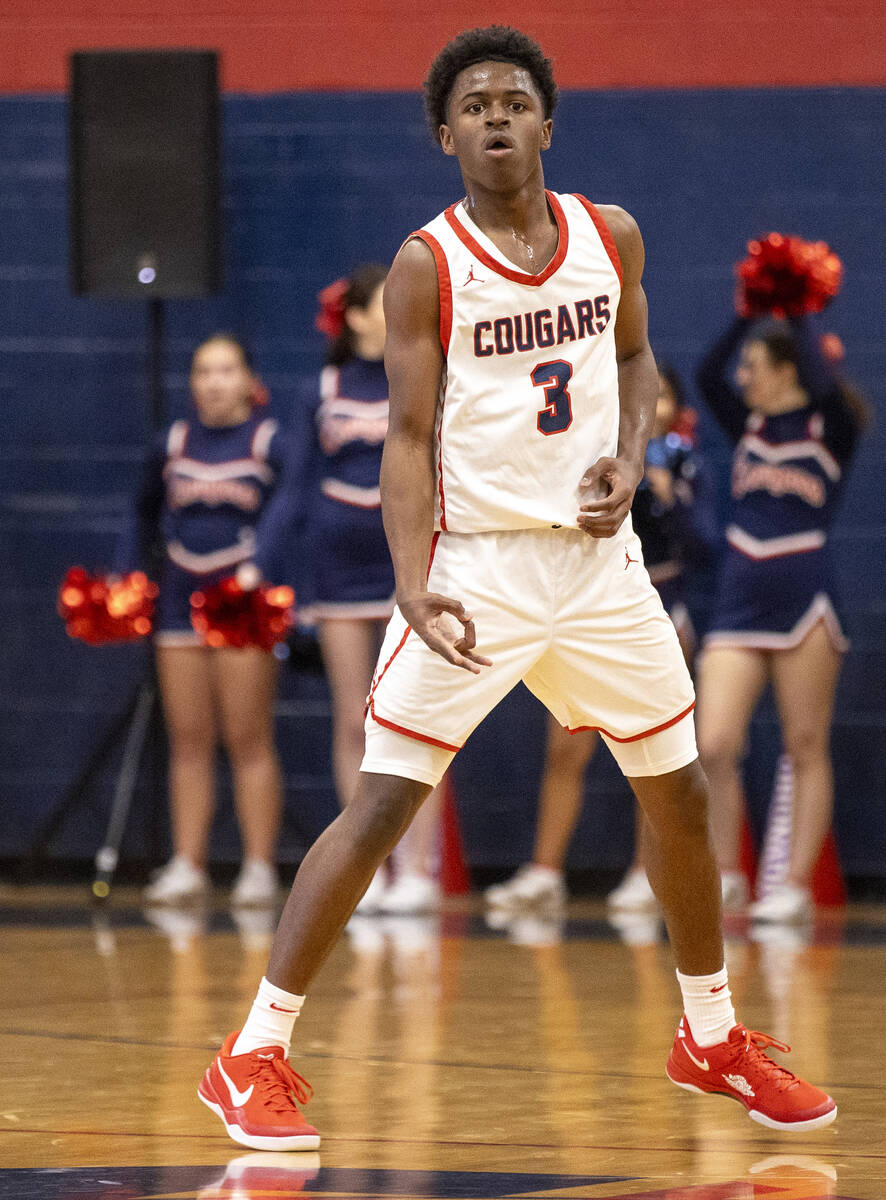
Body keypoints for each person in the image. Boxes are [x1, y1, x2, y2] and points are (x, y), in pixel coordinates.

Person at [197, 27, 835, 1150]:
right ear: (447, 135)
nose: (497, 116)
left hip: (597, 566)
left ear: (548, 120)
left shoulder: (609, 235)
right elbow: (402, 435)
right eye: (475, 105)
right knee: (385, 801)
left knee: (677, 791)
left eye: (516, 99)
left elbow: (636, 365)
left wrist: (631, 456)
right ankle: (250, 1050)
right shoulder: (424, 263)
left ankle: (710, 1035)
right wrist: (407, 578)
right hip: (476, 566)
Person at [484, 366, 716, 915]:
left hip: (656, 601)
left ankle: (644, 873)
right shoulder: (594, 453)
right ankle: (544, 872)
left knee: (657, 754)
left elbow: (707, 546)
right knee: (565, 746)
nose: (653, 410)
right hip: (586, 599)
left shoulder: (684, 461)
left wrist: (670, 498)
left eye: (664, 400)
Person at [695, 312, 869, 922]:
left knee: (804, 743)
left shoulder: (833, 426)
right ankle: (727, 876)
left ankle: (792, 885)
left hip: (805, 600)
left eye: (756, 367)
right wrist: (747, 313)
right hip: (739, 602)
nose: (742, 378)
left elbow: (824, 383)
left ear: (787, 370)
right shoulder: (746, 423)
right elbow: (705, 372)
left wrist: (797, 308)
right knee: (713, 744)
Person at [118, 334, 302, 907]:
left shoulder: (269, 439)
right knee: (189, 740)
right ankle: (188, 863)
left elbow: (289, 508)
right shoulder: (171, 442)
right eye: (203, 371)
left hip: (242, 601)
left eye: (226, 370)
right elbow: (140, 512)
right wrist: (126, 576)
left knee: (247, 737)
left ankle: (256, 867)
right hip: (178, 598)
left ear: (249, 379)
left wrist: (258, 570)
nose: (214, 382)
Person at [298, 266, 443, 915]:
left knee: (414, 717)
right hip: (336, 573)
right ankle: (368, 872)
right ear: (355, 316)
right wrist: (271, 572)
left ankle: (420, 867)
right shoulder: (322, 387)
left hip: (403, 567)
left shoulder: (420, 375)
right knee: (353, 720)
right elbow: (296, 487)